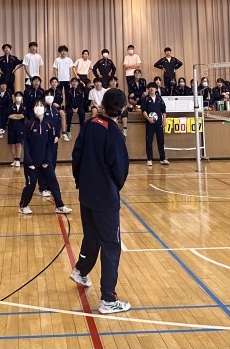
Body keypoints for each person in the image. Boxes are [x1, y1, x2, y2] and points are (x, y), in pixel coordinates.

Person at [69, 88, 131, 314]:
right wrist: (113, 188)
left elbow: (76, 156)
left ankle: (80, 271)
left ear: (103, 104)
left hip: (86, 193)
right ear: (122, 109)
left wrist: (81, 181)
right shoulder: (114, 134)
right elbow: (120, 169)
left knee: (92, 235)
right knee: (111, 245)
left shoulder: (90, 125)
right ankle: (108, 299)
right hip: (105, 197)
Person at [19, 99, 72, 215]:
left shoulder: (49, 124)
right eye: (36, 105)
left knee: (53, 182)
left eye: (41, 105)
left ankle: (60, 206)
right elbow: (26, 144)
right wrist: (29, 161)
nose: (39, 107)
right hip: (32, 162)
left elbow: (50, 144)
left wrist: (47, 160)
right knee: (31, 184)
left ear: (44, 108)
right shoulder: (29, 124)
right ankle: (23, 206)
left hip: (45, 161)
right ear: (33, 108)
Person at [140, 82, 169, 166]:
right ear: (148, 89)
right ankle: (149, 159)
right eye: (150, 87)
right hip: (150, 123)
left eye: (153, 87)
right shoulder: (145, 99)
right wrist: (148, 119)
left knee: (161, 140)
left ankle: (162, 158)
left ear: (156, 89)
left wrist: (164, 120)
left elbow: (163, 110)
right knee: (149, 140)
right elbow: (144, 111)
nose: (151, 89)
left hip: (159, 122)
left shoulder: (159, 98)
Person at [7, 91, 26, 167]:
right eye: (17, 96)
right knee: (12, 144)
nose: (18, 97)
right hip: (11, 126)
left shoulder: (24, 106)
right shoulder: (11, 105)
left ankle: (18, 159)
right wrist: (18, 116)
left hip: (20, 127)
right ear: (14, 97)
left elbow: (23, 116)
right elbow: (9, 116)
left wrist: (14, 115)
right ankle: (15, 159)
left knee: (19, 143)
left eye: (20, 96)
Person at [49, 77, 68, 141]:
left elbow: (61, 100)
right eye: (52, 82)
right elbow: (46, 101)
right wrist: (52, 104)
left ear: (57, 83)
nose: (54, 83)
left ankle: (64, 132)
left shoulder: (59, 91)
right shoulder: (48, 92)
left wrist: (58, 104)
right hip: (50, 107)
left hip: (58, 107)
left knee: (62, 114)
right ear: (50, 83)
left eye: (55, 82)